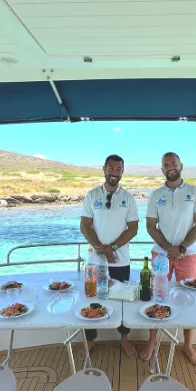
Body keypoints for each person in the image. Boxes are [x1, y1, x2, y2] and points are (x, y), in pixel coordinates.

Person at [143, 151, 196, 366]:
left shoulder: (195, 192)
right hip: (160, 255)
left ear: (181, 166)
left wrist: (180, 248)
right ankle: (153, 342)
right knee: (157, 297)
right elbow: (150, 227)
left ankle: (187, 344)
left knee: (190, 298)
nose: (170, 167)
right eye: (166, 164)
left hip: (188, 255)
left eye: (173, 163)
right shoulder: (155, 195)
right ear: (162, 169)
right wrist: (168, 248)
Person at [80, 153, 141, 358]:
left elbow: (133, 229)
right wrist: (101, 248)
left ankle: (124, 339)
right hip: (95, 261)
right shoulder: (92, 195)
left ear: (122, 172)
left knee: (122, 301)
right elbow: (84, 225)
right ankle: (90, 339)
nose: (114, 172)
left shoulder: (128, 198)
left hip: (120, 261)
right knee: (92, 300)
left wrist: (111, 248)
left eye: (118, 169)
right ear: (104, 169)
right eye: (111, 168)